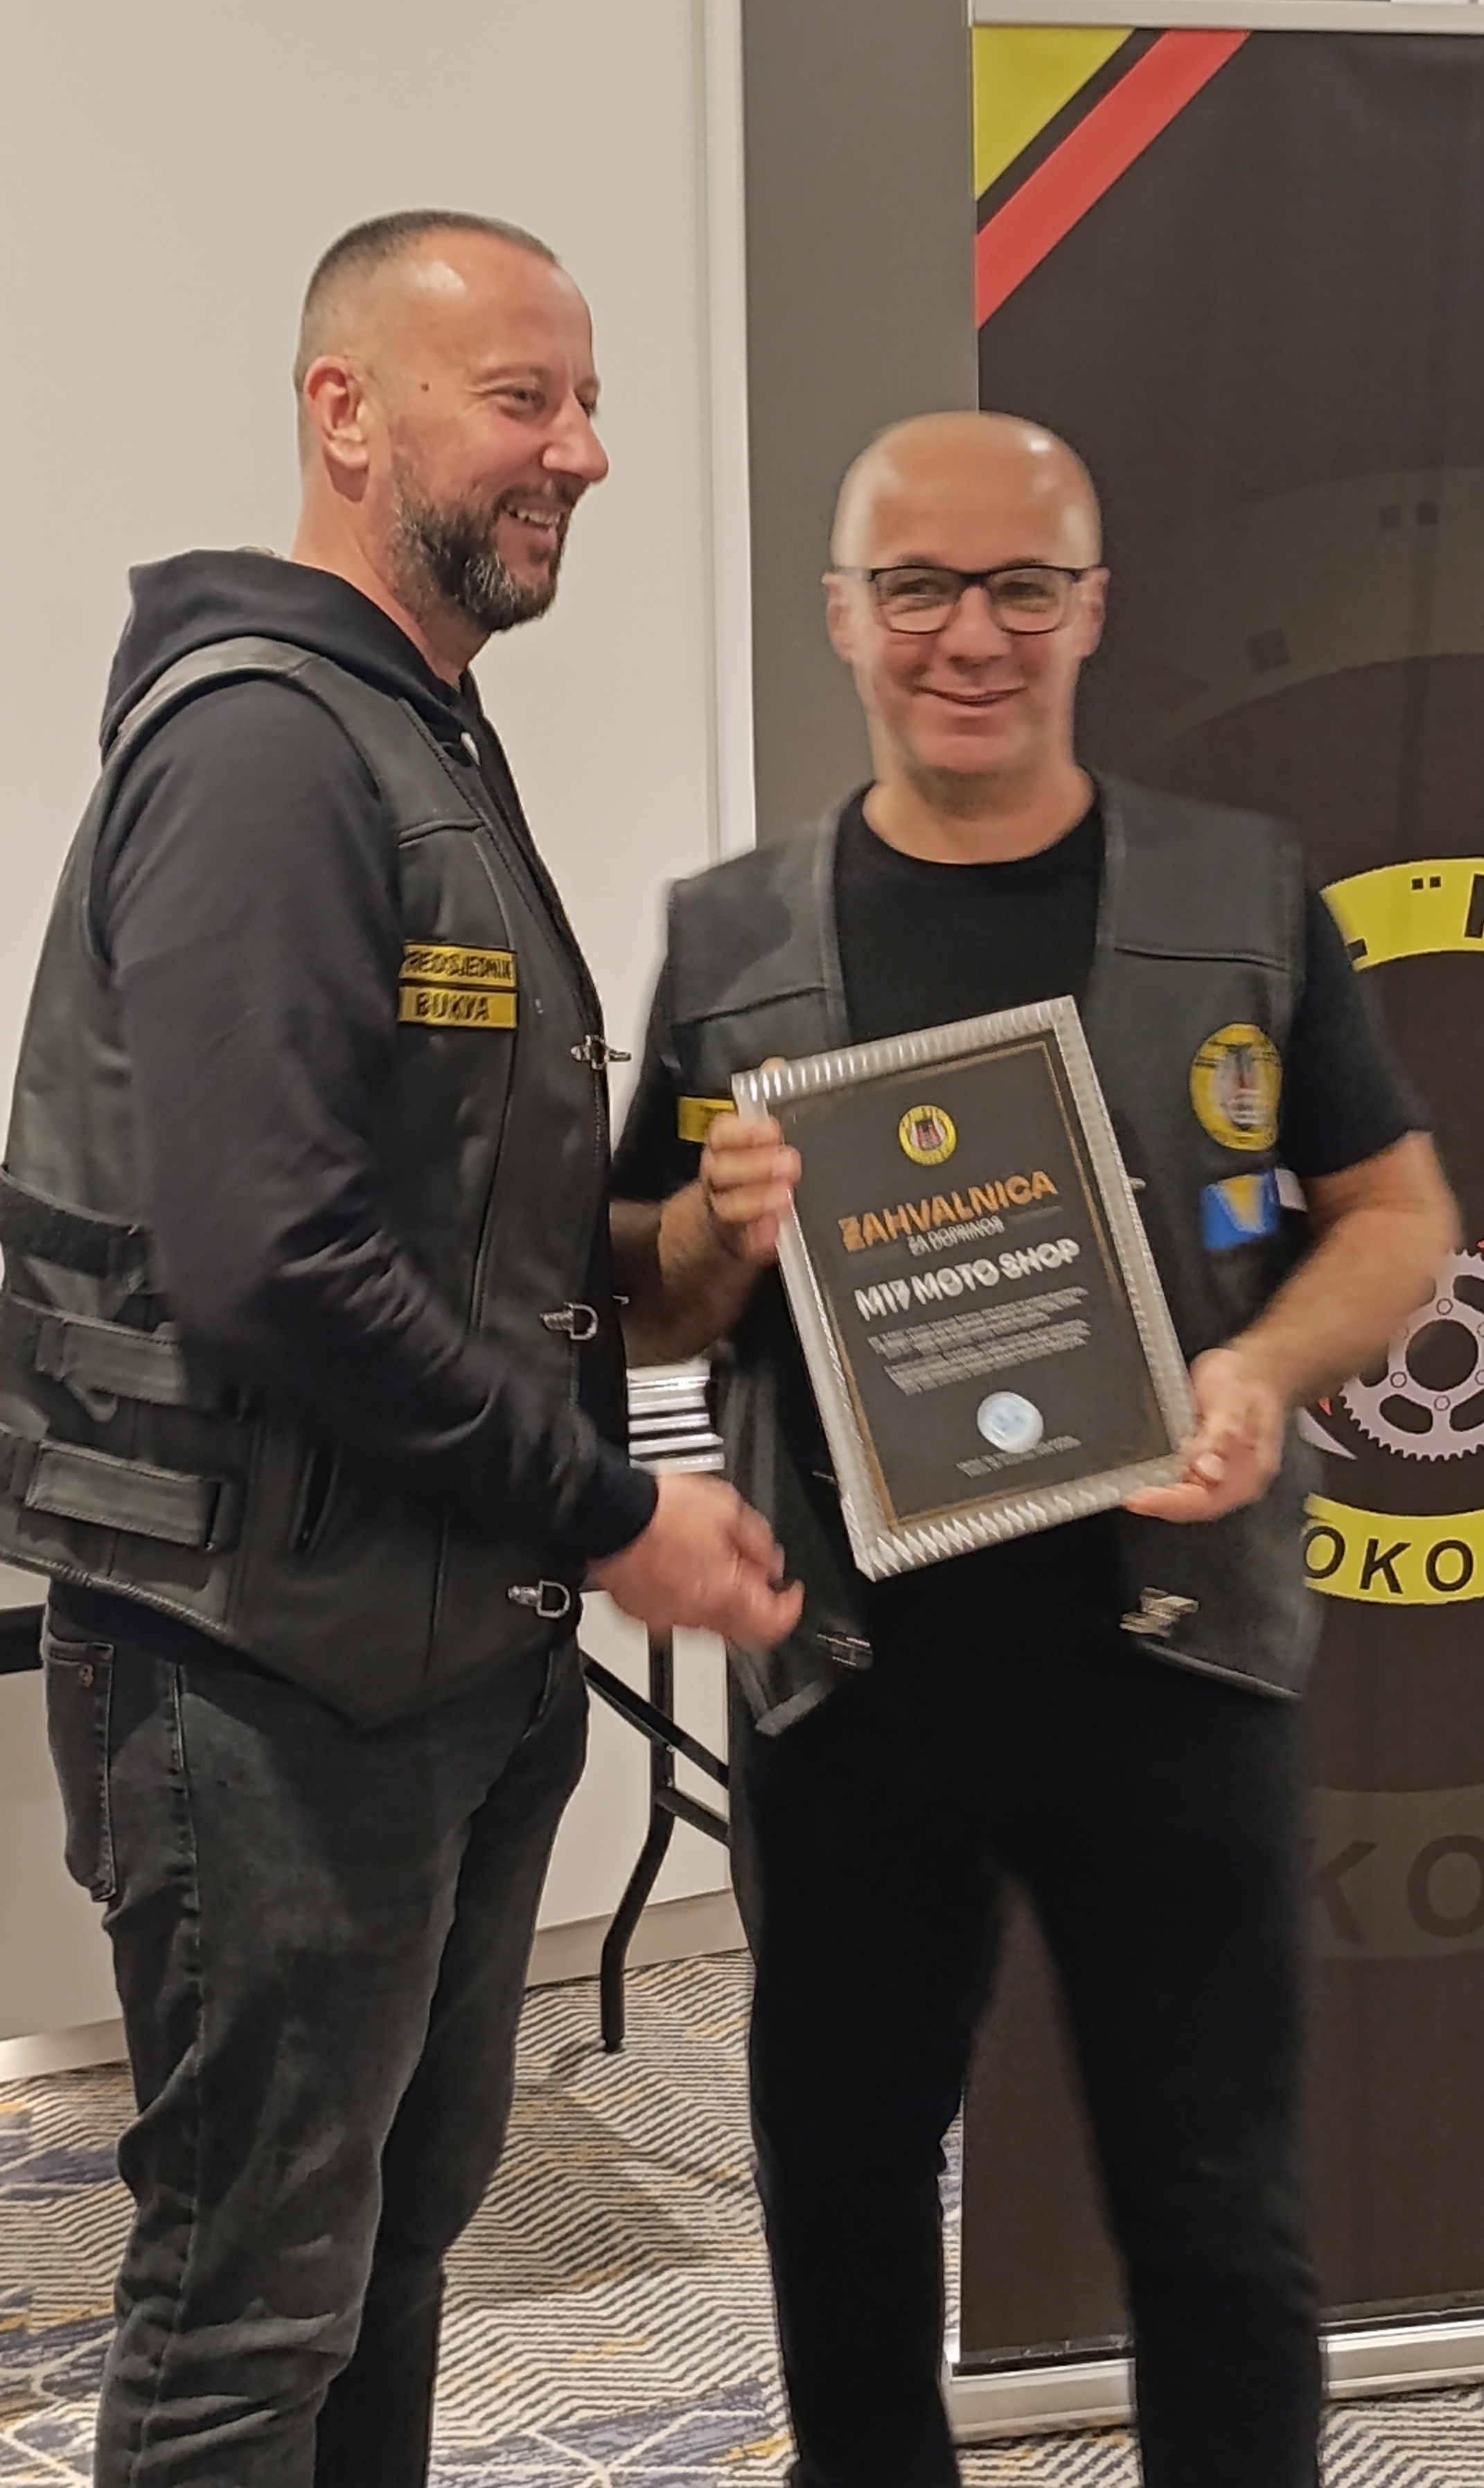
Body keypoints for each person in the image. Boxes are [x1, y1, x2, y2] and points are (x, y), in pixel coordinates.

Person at [0, 209, 798, 2488]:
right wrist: (615, 1515)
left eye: (588, 401)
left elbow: (460, 1235)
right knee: (249, 2319)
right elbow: (268, 1259)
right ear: (346, 413)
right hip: (263, 1689)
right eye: (522, 399)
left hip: (441, 1667)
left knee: (386, 2264)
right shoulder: (267, 749)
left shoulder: (415, 732)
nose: (586, 452)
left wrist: (693, 1247)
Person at [609, 410, 1456, 2488]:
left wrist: (1258, 1372)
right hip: (849, 1685)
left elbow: (1397, 1215)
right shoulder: (730, 939)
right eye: (918, 587)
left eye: (1019, 588)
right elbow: (634, 1295)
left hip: (1173, 1667)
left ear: (1093, 611)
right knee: (842, 2209)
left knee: (1217, 2214)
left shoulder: (1241, 896)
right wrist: (710, 1228)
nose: (968, 636)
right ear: (843, 616)